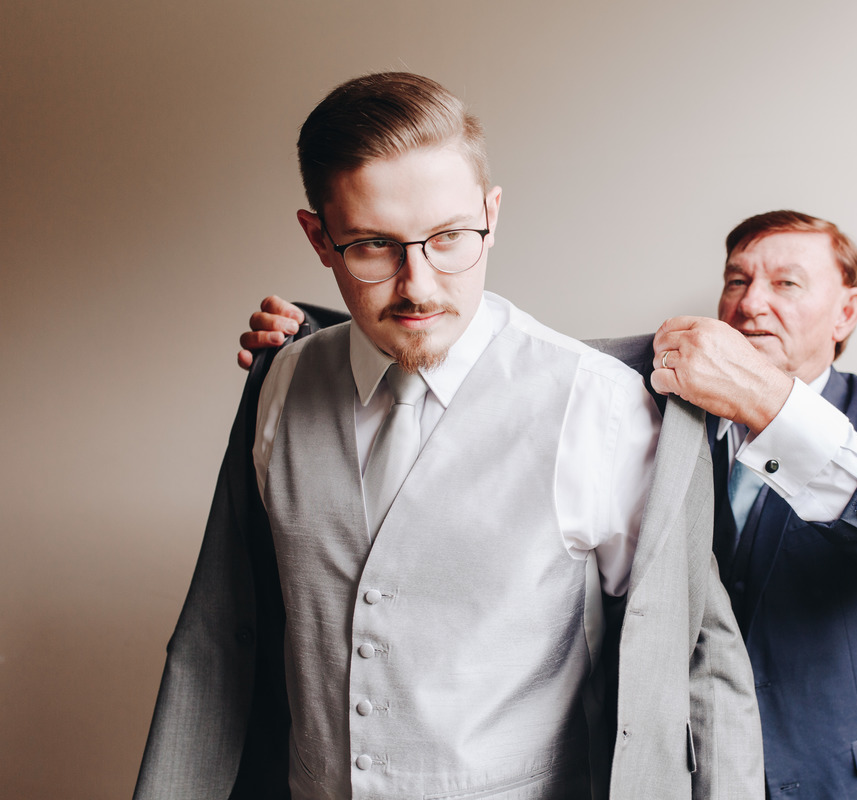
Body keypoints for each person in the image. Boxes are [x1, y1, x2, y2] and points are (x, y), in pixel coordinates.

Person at [135, 72, 762, 800]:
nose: (419, 285)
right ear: (319, 238)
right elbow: (229, 640)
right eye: (374, 245)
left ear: (491, 214)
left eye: (449, 238)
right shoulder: (281, 384)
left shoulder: (600, 408)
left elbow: (696, 659)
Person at [242, 210, 857, 798]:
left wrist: (770, 405)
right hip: (692, 776)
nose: (750, 303)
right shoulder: (651, 393)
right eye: (737, 280)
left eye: (786, 283)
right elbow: (510, 358)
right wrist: (317, 335)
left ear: (846, 312)